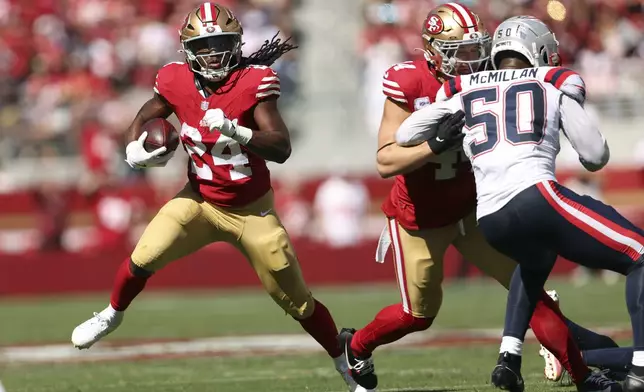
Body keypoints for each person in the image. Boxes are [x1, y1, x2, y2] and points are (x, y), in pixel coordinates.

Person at [70, 4, 364, 391]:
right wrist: (133, 149)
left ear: (237, 44)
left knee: (298, 303)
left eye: (221, 44)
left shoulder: (253, 82)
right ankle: (111, 313)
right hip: (200, 201)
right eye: (205, 45)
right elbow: (144, 116)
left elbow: (281, 147)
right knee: (143, 256)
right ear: (188, 49)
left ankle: (344, 360)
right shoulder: (175, 80)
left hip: (253, 212)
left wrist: (236, 131)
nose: (213, 54)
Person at [341, 4, 620, 392]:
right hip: (419, 217)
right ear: (432, 52)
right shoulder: (408, 82)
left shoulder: (491, 76)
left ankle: (586, 376)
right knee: (417, 315)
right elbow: (386, 161)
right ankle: (356, 346)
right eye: (461, 52)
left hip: (476, 208)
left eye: (477, 50)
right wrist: (433, 145)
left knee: (532, 292)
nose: (472, 62)